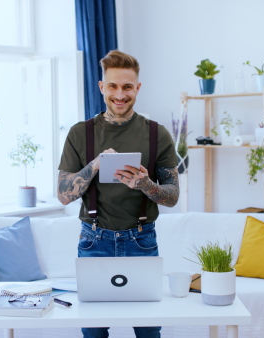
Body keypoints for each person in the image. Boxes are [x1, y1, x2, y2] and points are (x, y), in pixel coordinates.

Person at [57, 50, 180, 338]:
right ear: (102, 87)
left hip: (142, 240)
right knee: (94, 331)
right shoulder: (80, 133)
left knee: (149, 329)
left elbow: (172, 196)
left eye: (127, 87)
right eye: (112, 86)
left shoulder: (157, 134)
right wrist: (95, 165)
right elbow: (63, 195)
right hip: (93, 240)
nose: (120, 94)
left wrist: (145, 185)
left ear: (138, 88)